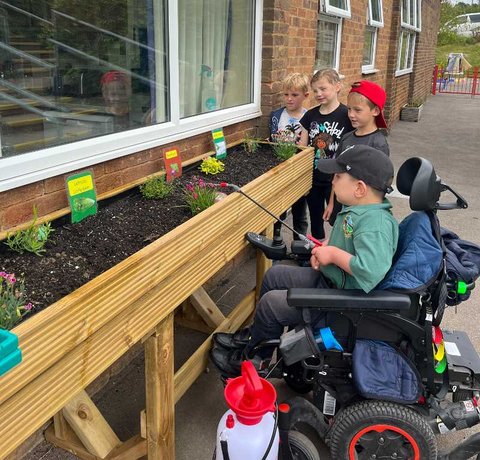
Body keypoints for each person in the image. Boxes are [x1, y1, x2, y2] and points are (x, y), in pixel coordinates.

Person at [210, 145, 399, 376]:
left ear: (359, 188)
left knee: (272, 304)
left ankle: (256, 362)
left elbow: (370, 270)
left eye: (338, 177)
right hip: (331, 282)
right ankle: (258, 337)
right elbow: (351, 246)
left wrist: (332, 255)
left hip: (343, 303)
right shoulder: (360, 211)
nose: (332, 181)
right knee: (274, 275)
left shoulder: (376, 224)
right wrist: (327, 249)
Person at [296, 69, 353, 241]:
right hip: (314, 177)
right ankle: (317, 247)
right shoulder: (310, 115)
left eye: (323, 89)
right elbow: (302, 148)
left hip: (338, 178)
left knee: (340, 216)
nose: (319, 94)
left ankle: (343, 246)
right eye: (315, 91)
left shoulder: (346, 116)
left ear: (337, 86)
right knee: (316, 216)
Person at [323, 80, 390, 225]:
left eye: (357, 110)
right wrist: (331, 203)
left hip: (361, 212)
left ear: (375, 111)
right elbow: (337, 172)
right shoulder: (347, 138)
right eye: (349, 109)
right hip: (341, 204)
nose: (351, 115)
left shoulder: (378, 144)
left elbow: (377, 184)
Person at [269, 72, 310, 239]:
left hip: (299, 171)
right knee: (278, 210)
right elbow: (271, 140)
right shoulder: (276, 116)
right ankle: (276, 243)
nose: (289, 99)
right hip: (279, 170)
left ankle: (300, 246)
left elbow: (308, 146)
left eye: (294, 95)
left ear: (305, 96)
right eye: (286, 94)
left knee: (300, 211)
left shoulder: (309, 117)